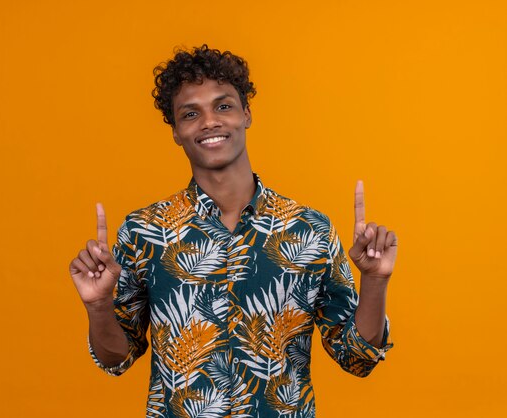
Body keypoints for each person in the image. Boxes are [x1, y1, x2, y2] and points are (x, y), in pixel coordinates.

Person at [69, 45, 397, 418]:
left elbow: (357, 357)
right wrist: (97, 306)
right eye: (191, 114)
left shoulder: (309, 230)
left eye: (223, 106)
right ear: (176, 131)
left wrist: (374, 281)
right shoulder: (145, 231)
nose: (209, 121)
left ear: (246, 114)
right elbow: (117, 357)